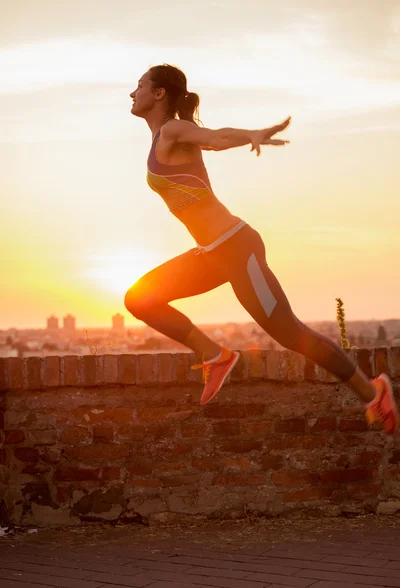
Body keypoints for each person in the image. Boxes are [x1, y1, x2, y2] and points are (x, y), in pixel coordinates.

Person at [124, 63, 398, 435]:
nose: (132, 92)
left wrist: (251, 134)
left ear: (158, 94)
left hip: (237, 248)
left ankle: (372, 392)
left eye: (140, 85)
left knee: (290, 333)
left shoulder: (173, 129)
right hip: (211, 254)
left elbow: (215, 138)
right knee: (140, 299)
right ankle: (215, 355)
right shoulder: (159, 138)